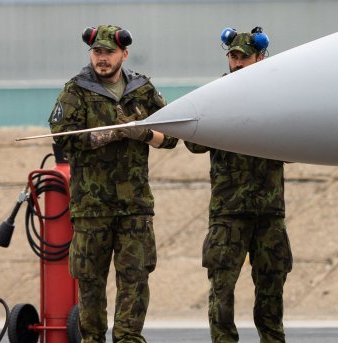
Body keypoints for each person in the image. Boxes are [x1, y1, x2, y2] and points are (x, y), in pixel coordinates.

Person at [49, 24, 179, 343]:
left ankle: (128, 339)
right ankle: (93, 339)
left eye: (108, 52)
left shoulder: (142, 89)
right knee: (91, 282)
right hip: (92, 208)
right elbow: (63, 136)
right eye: (97, 52)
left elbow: (173, 137)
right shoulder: (76, 90)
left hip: (134, 206)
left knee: (135, 278)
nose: (102, 59)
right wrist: (111, 132)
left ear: (124, 53)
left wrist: (143, 133)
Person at [185, 27, 292, 343]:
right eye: (234, 56)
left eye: (245, 56)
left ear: (260, 57)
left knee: (272, 288)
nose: (238, 62)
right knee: (222, 289)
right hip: (228, 213)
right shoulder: (214, 96)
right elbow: (193, 143)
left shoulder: (280, 97)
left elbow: (297, 141)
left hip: (269, 212)